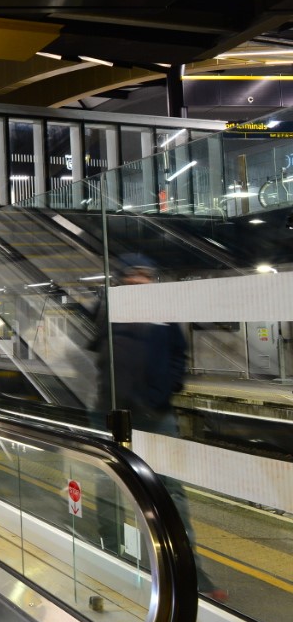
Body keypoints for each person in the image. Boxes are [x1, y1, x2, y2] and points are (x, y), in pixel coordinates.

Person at [91, 254, 227, 602]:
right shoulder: (107, 308)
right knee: (109, 487)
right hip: (110, 413)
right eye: (131, 276)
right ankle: (111, 555)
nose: (138, 281)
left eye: (145, 275)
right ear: (120, 281)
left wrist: (165, 390)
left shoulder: (164, 312)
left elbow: (179, 356)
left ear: (153, 280)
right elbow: (95, 348)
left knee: (170, 493)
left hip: (156, 414)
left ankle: (188, 570)